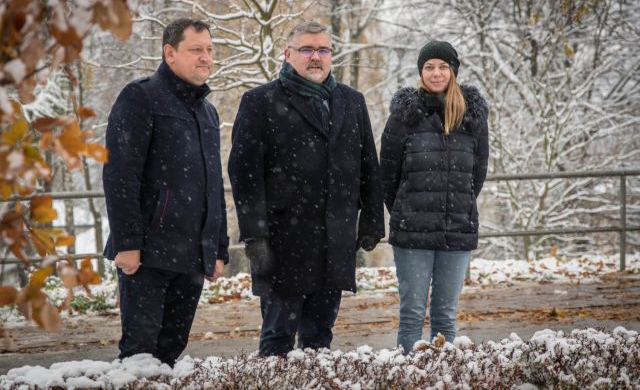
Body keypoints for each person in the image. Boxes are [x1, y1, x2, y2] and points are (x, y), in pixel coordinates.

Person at [228, 21, 385, 357]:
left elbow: (369, 165)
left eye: (323, 49)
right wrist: (254, 236)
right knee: (277, 341)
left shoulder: (351, 101)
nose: (316, 57)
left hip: (335, 239)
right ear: (287, 54)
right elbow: (244, 174)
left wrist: (373, 220)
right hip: (282, 243)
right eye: (307, 49)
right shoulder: (260, 101)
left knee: (319, 341)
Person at [103, 18, 229, 367]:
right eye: (196, 50)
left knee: (171, 351)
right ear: (169, 53)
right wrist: (128, 243)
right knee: (140, 355)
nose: (205, 57)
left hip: (191, 257)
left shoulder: (208, 111)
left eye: (209, 50)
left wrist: (217, 248)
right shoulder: (140, 97)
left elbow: (212, 183)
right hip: (148, 256)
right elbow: (120, 175)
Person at [380, 40, 489, 353]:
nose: (436, 72)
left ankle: (444, 380)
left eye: (443, 66)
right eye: (429, 67)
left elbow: (476, 174)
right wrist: (406, 209)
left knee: (445, 316)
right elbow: (388, 172)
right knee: (412, 314)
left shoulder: (472, 117)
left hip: (457, 229)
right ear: (421, 71)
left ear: (453, 71)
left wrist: (456, 204)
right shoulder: (404, 115)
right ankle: (407, 379)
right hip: (412, 232)